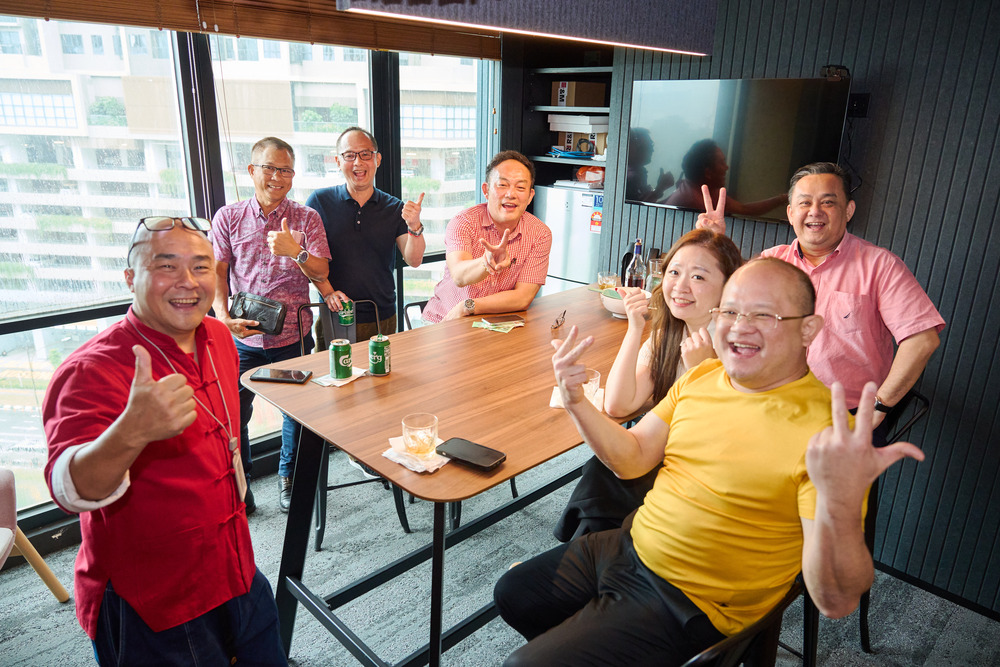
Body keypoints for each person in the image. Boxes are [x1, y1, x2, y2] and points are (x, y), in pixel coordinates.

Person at [494, 258, 926, 666]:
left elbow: (837, 600)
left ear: (808, 330)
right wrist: (576, 403)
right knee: (513, 592)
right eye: (730, 312)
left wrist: (839, 502)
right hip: (632, 545)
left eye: (764, 315)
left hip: (692, 602)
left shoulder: (827, 434)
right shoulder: (703, 376)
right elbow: (633, 459)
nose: (740, 327)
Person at [42, 218, 287, 665]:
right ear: (130, 278)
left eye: (201, 266)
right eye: (166, 266)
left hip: (235, 564)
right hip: (153, 600)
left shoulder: (219, 336)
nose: (188, 282)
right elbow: (69, 490)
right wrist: (131, 431)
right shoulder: (91, 369)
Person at [697, 162, 945, 439]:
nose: (815, 211)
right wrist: (713, 242)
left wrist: (880, 405)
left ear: (848, 210)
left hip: (843, 420)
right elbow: (721, 299)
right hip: (769, 406)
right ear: (791, 213)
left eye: (828, 202)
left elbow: (922, 340)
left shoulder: (880, 266)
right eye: (805, 203)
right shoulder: (770, 261)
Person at [554, 229, 744, 541]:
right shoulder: (671, 334)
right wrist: (635, 328)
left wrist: (702, 371)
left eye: (698, 277)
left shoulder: (740, 346)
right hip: (660, 454)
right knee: (603, 473)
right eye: (674, 272)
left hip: (707, 477)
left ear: (728, 286)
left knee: (607, 481)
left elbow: (727, 440)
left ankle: (575, 558)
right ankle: (579, 558)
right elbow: (618, 404)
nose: (680, 286)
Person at [211, 136, 331, 512]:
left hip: (292, 335)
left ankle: (288, 476)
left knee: (296, 413)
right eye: (269, 168)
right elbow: (217, 271)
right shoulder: (228, 217)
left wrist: (297, 251)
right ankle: (241, 484)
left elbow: (322, 271)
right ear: (252, 170)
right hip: (242, 336)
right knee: (233, 415)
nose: (277, 177)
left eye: (286, 170)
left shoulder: (307, 218)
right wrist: (222, 317)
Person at [306, 127, 425, 342]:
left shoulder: (394, 207)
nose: (358, 162)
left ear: (377, 159)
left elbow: (414, 260)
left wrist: (414, 225)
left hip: (382, 314)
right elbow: (306, 260)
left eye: (365, 154)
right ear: (338, 161)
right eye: (349, 155)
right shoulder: (319, 201)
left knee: (383, 364)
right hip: (334, 314)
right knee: (333, 365)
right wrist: (326, 292)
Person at [421, 151, 553, 323]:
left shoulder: (540, 234)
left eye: (520, 187)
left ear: (530, 196)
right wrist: (486, 262)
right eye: (502, 185)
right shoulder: (464, 222)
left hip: (493, 325)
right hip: (444, 320)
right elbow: (459, 275)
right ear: (486, 190)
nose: (511, 194)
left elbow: (523, 297)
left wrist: (468, 306)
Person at [664, 138, 787, 217]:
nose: (726, 167)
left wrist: (782, 199)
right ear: (708, 172)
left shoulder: (703, 190)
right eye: (722, 163)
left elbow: (744, 209)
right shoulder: (694, 202)